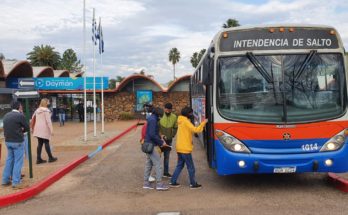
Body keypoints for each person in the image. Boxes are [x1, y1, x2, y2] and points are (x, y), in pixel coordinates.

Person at [170, 106, 207, 189]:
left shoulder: (180, 120)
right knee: (191, 167)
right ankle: (193, 184)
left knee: (179, 165)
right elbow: (196, 130)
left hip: (179, 147)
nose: (192, 114)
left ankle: (173, 181)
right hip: (185, 148)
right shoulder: (186, 122)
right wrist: (204, 122)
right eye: (191, 113)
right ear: (187, 114)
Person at [2, 101, 29, 189]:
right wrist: (21, 131)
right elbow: (27, 127)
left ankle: (5, 180)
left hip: (8, 141)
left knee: (9, 160)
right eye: (21, 106)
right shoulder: (20, 116)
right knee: (18, 162)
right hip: (17, 141)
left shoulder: (6, 115)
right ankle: (16, 182)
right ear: (19, 107)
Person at [143, 107, 170, 191]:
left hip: (148, 144)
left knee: (149, 164)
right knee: (158, 164)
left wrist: (160, 137)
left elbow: (153, 133)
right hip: (152, 145)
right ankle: (159, 184)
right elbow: (152, 135)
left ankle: (146, 183)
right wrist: (161, 143)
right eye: (161, 115)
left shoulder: (151, 118)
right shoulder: (153, 120)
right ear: (158, 114)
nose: (161, 117)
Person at [32, 98, 57, 164]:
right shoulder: (46, 111)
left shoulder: (37, 110)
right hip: (44, 128)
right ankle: (50, 157)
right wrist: (51, 130)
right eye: (48, 101)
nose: (49, 102)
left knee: (39, 143)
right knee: (46, 142)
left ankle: (38, 159)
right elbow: (48, 121)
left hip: (38, 129)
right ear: (45, 102)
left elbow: (32, 118)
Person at [159, 103, 178, 178]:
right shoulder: (160, 115)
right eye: (166, 109)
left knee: (166, 157)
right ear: (164, 108)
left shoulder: (174, 117)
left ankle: (165, 172)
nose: (168, 110)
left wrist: (172, 134)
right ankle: (158, 172)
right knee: (157, 157)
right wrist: (160, 135)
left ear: (171, 109)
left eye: (169, 109)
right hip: (159, 140)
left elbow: (175, 127)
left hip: (169, 140)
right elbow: (157, 127)